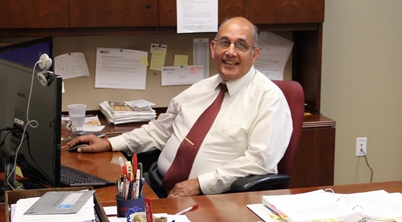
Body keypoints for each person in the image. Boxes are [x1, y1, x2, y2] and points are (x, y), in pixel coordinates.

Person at [68, 16, 293, 197]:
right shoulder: (201, 89)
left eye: (241, 45)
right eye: (224, 43)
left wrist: (200, 184)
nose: (230, 52)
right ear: (213, 48)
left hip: (213, 199)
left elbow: (259, 163)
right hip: (157, 186)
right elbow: (159, 131)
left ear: (255, 54)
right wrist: (109, 143)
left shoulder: (269, 99)